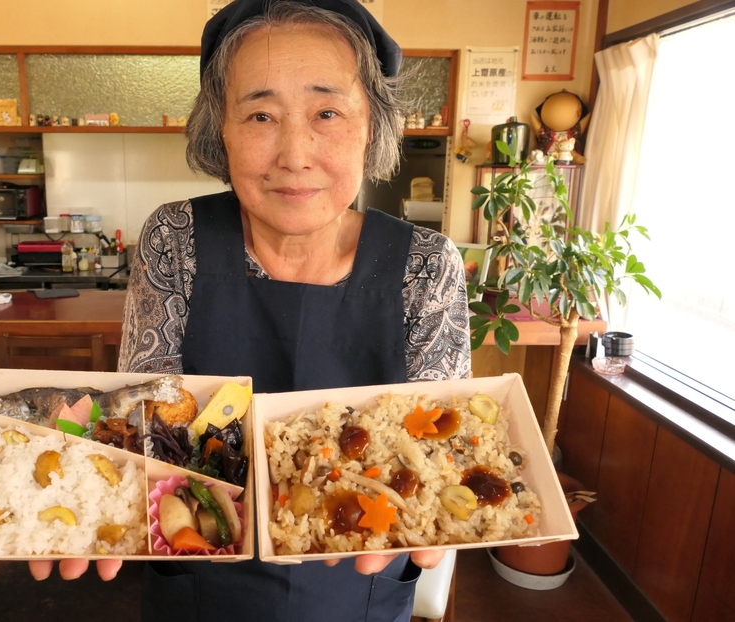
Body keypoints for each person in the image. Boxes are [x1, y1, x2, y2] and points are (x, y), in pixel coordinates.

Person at [30, 1, 470, 620]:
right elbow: (142, 418)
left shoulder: (427, 264)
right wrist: (82, 488)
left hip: (358, 566)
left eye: (327, 112)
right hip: (197, 569)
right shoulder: (175, 238)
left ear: (371, 125)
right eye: (260, 114)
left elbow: (442, 444)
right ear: (222, 131)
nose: (295, 152)